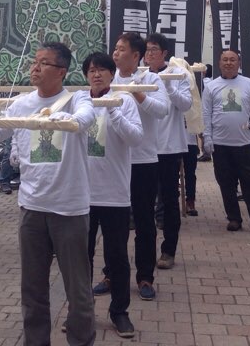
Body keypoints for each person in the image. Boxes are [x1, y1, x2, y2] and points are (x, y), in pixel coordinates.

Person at [0, 42, 97, 346]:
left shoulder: (76, 99)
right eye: (34, 61)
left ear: (61, 71)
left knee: (78, 291)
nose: (35, 68)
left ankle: (81, 340)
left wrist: (67, 120)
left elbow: (85, 118)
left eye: (44, 63)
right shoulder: (22, 103)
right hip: (32, 208)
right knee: (33, 289)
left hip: (69, 210)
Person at [83, 52, 144, 339]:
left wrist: (113, 110)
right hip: (81, 195)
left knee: (117, 256)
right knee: (80, 257)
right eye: (92, 71)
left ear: (111, 74)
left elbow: (135, 138)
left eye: (102, 70)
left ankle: (119, 311)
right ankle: (81, 311)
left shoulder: (125, 100)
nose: (97, 75)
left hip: (115, 194)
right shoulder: (77, 102)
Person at [110, 32, 170, 301]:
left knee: (144, 220)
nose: (116, 53)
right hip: (113, 161)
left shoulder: (151, 79)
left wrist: (139, 95)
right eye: (115, 48)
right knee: (115, 222)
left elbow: (163, 110)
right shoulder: (108, 80)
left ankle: (145, 276)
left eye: (121, 49)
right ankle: (111, 272)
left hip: (143, 160)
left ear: (136, 55)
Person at [202, 49, 250, 235]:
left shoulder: (249, 84)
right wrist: (207, 137)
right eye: (225, 60)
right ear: (220, 63)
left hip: (245, 142)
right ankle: (234, 218)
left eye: (232, 60)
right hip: (221, 144)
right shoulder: (212, 87)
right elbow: (206, 113)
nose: (229, 63)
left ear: (239, 63)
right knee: (226, 183)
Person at [143, 33, 191, 270]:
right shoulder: (140, 76)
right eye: (146, 50)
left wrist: (169, 84)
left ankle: (168, 250)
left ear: (164, 53)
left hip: (169, 147)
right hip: (144, 147)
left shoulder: (178, 74)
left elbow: (186, 104)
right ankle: (146, 250)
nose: (149, 54)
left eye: (153, 50)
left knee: (170, 200)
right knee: (144, 200)